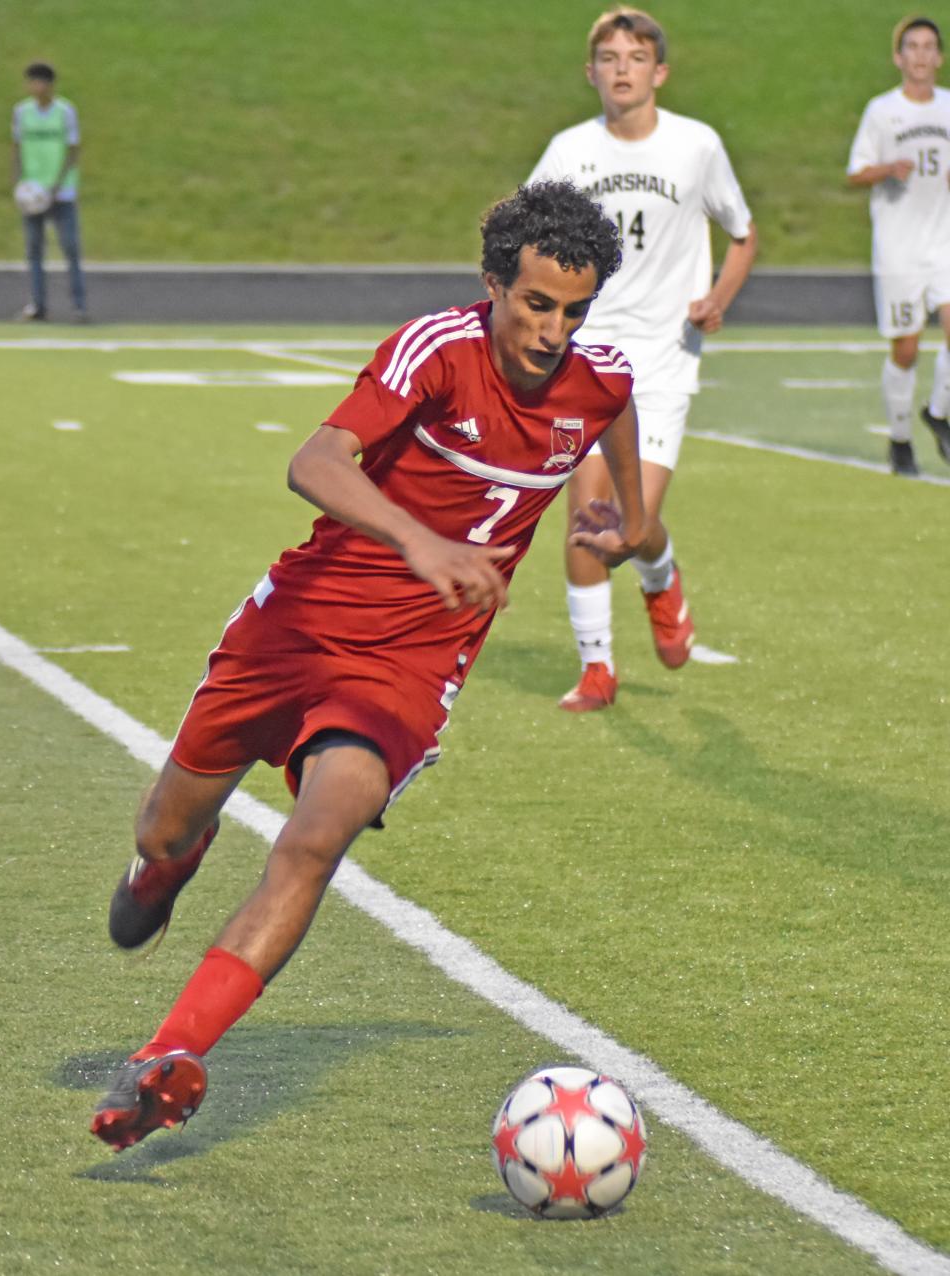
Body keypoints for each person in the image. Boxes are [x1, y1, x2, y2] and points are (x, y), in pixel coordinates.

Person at [90, 181, 666, 1151]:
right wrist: (422, 543)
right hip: (297, 627)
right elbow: (315, 460)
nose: (552, 330)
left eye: (573, 310)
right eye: (534, 303)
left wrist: (634, 524)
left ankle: (169, 1057)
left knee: (317, 839)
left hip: (409, 664)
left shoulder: (598, 379)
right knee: (162, 829)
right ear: (493, 284)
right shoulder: (435, 350)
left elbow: (618, 430)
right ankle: (168, 862)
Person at [528, 7, 756, 711]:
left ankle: (659, 574)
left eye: (635, 57)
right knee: (585, 517)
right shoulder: (568, 151)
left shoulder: (696, 146)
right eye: (608, 58)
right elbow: (525, 235)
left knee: (626, 529)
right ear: (589, 73)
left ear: (659, 72)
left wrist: (716, 297)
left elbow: (742, 235)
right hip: (586, 358)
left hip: (662, 361)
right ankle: (597, 668)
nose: (621, 68)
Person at [847, 15, 950, 477]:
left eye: (930, 47)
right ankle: (901, 440)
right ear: (898, 57)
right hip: (899, 247)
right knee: (906, 349)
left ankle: (940, 412)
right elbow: (856, 172)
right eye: (913, 46)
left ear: (940, 57)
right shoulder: (881, 111)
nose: (922, 55)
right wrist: (887, 168)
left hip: (943, 239)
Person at [11, 62, 88, 322]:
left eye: (40, 81)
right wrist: (19, 182)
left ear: (50, 85)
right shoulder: (22, 112)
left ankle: (79, 306)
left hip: (61, 192)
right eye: (31, 82)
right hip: (32, 193)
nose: (35, 87)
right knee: (34, 250)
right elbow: (17, 147)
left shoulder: (65, 112)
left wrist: (58, 184)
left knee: (70, 247)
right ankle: (38, 306)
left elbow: (73, 149)